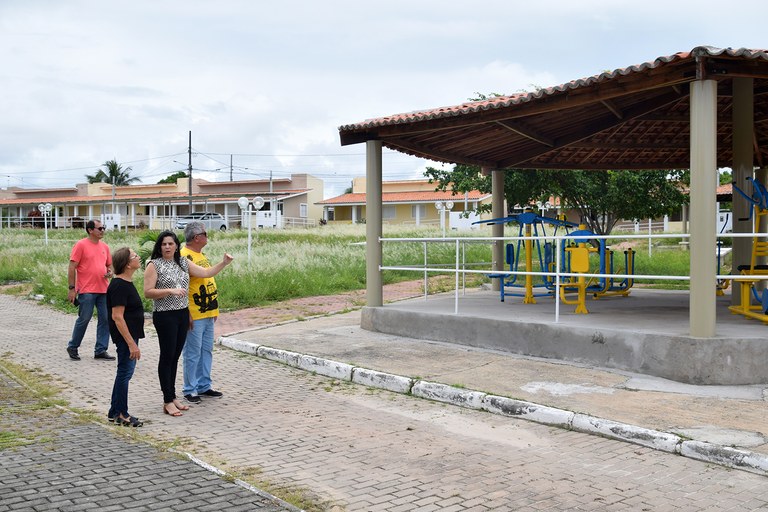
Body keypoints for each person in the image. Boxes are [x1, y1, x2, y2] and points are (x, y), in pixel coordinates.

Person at [143, 230, 233, 417]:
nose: (167, 247)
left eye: (171, 243)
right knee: (167, 357)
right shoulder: (154, 264)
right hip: (165, 315)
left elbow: (206, 272)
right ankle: (167, 400)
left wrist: (224, 263)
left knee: (175, 357)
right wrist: (170, 291)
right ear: (159, 247)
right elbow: (148, 292)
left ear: (177, 245)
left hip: (182, 314)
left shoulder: (183, 262)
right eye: (164, 244)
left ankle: (173, 396)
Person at [181, 221, 225, 404]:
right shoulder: (184, 256)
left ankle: (204, 385)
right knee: (192, 352)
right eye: (205, 233)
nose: (208, 236)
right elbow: (182, 285)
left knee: (206, 350)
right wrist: (187, 312)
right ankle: (189, 389)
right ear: (197, 237)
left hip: (208, 310)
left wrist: (215, 308)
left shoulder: (200, 254)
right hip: (195, 312)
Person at [66, 219, 115, 361]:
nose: (103, 230)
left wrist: (110, 273)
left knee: (105, 319)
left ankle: (100, 350)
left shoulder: (105, 247)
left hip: (103, 289)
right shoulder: (81, 245)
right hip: (86, 290)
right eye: (100, 228)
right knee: (84, 318)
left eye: (103, 228)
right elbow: (72, 267)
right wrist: (71, 288)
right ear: (90, 230)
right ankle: (73, 346)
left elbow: (110, 266)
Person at [106, 247, 144, 427]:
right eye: (135, 256)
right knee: (124, 374)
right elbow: (117, 317)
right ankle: (122, 413)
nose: (139, 258)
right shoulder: (120, 285)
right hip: (125, 338)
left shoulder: (125, 282)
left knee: (123, 373)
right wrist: (131, 344)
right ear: (128, 264)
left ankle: (115, 411)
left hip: (130, 335)